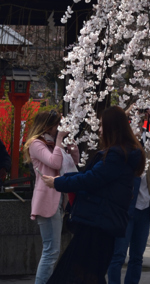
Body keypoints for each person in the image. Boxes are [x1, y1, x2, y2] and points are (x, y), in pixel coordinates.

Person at [43, 106, 145, 284]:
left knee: (78, 274)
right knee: (88, 274)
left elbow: (90, 179)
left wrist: (58, 182)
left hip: (97, 223)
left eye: (102, 126)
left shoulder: (116, 155)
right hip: (101, 222)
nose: (99, 130)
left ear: (111, 128)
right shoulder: (123, 154)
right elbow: (91, 178)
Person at [25, 110, 81, 284]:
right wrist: (58, 141)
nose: (59, 128)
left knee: (52, 251)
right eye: (57, 125)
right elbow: (54, 163)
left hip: (58, 200)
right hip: (47, 201)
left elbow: (74, 162)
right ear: (48, 126)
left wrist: (69, 144)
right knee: (50, 251)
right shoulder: (36, 144)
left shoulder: (53, 143)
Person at [106, 116, 150, 284]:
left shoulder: (148, 148)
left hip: (144, 208)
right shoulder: (120, 150)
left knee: (137, 257)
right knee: (118, 255)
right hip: (126, 209)